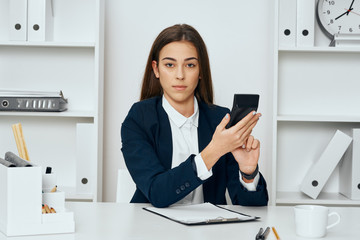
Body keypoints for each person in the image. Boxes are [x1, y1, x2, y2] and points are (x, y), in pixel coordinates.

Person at [121, 24, 268, 208]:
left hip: (208, 233)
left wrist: (248, 173)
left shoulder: (221, 120)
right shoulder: (139, 118)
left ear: (200, 71)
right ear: (156, 69)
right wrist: (214, 151)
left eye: (190, 65)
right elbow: (157, 193)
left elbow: (252, 207)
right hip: (152, 229)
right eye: (169, 65)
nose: (180, 75)